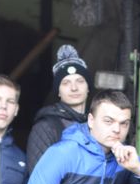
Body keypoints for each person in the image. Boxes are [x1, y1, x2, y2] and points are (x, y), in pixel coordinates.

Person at [26, 44, 92, 172]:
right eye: (66, 83)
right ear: (58, 92)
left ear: (88, 87)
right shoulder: (46, 127)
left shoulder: (95, 124)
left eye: (80, 81)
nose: (74, 88)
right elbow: (39, 175)